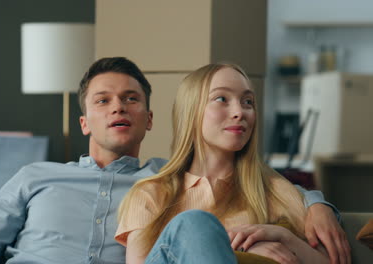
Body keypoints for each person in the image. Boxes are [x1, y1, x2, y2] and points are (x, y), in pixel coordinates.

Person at [0, 57, 347, 264]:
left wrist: (316, 203)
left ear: (150, 119)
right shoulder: (35, 176)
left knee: (195, 223)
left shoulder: (165, 178)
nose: (118, 108)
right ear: (83, 122)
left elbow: (249, 184)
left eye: (131, 99)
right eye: (103, 100)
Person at [116, 63, 351, 264]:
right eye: (221, 99)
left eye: (247, 102)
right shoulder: (150, 193)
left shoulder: (273, 191)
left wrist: (283, 237)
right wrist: (238, 250)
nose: (240, 111)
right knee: (194, 223)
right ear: (192, 111)